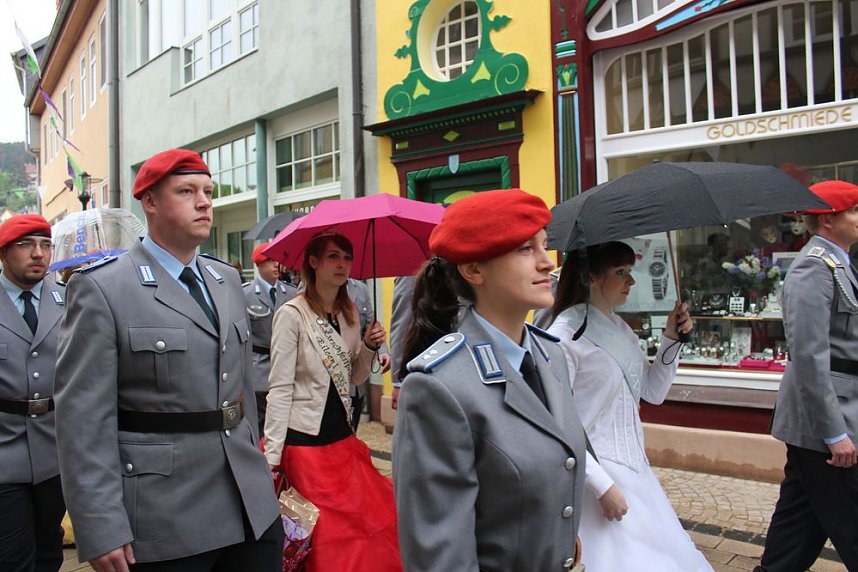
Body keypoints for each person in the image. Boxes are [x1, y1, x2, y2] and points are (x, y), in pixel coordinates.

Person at [55, 149, 282, 572]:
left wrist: (258, 465)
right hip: (164, 510)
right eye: (187, 191)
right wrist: (101, 523)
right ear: (151, 202)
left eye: (208, 191)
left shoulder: (226, 278)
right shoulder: (103, 288)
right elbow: (83, 420)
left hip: (247, 500)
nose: (204, 202)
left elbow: (241, 389)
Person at [393, 189, 587, 571]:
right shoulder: (438, 387)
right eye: (525, 249)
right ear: (474, 270)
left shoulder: (550, 357)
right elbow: (442, 557)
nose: (548, 263)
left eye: (545, 246)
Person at [547, 241, 710, 571]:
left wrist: (670, 341)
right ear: (589, 277)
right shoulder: (563, 336)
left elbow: (652, 391)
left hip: (637, 471)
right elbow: (556, 423)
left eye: (630, 271)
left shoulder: (620, 328)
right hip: (596, 476)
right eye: (620, 272)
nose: (630, 281)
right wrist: (602, 486)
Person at [263, 232, 401, 572]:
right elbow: (279, 387)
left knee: (360, 529)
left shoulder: (350, 314)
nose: (342, 265)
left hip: (341, 438)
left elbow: (353, 379)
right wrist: (272, 457)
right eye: (333, 257)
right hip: (304, 443)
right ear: (314, 262)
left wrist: (369, 347)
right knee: (317, 535)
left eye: (347, 258)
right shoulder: (292, 315)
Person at [755, 180, 858, 572]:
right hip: (826, 425)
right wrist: (835, 433)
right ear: (829, 219)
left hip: (830, 419)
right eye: (853, 210)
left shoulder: (839, 264)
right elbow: (809, 358)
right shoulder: (814, 268)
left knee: (797, 531)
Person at [0, 214, 66, 572]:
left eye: (44, 244)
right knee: (12, 554)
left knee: (49, 549)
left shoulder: (70, 300)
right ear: (4, 253)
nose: (38, 254)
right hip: (4, 450)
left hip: (54, 449)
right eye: (26, 245)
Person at [244, 242, 298, 435]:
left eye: (277, 260)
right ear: (258, 265)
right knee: (260, 429)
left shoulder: (292, 293)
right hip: (260, 370)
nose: (276, 264)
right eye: (269, 261)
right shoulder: (246, 294)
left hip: (288, 368)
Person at [345, 277, 390, 430]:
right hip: (328, 379)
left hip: (356, 375)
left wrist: (381, 350)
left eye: (347, 258)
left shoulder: (360, 288)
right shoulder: (311, 289)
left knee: (351, 431)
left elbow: (371, 324)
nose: (342, 264)